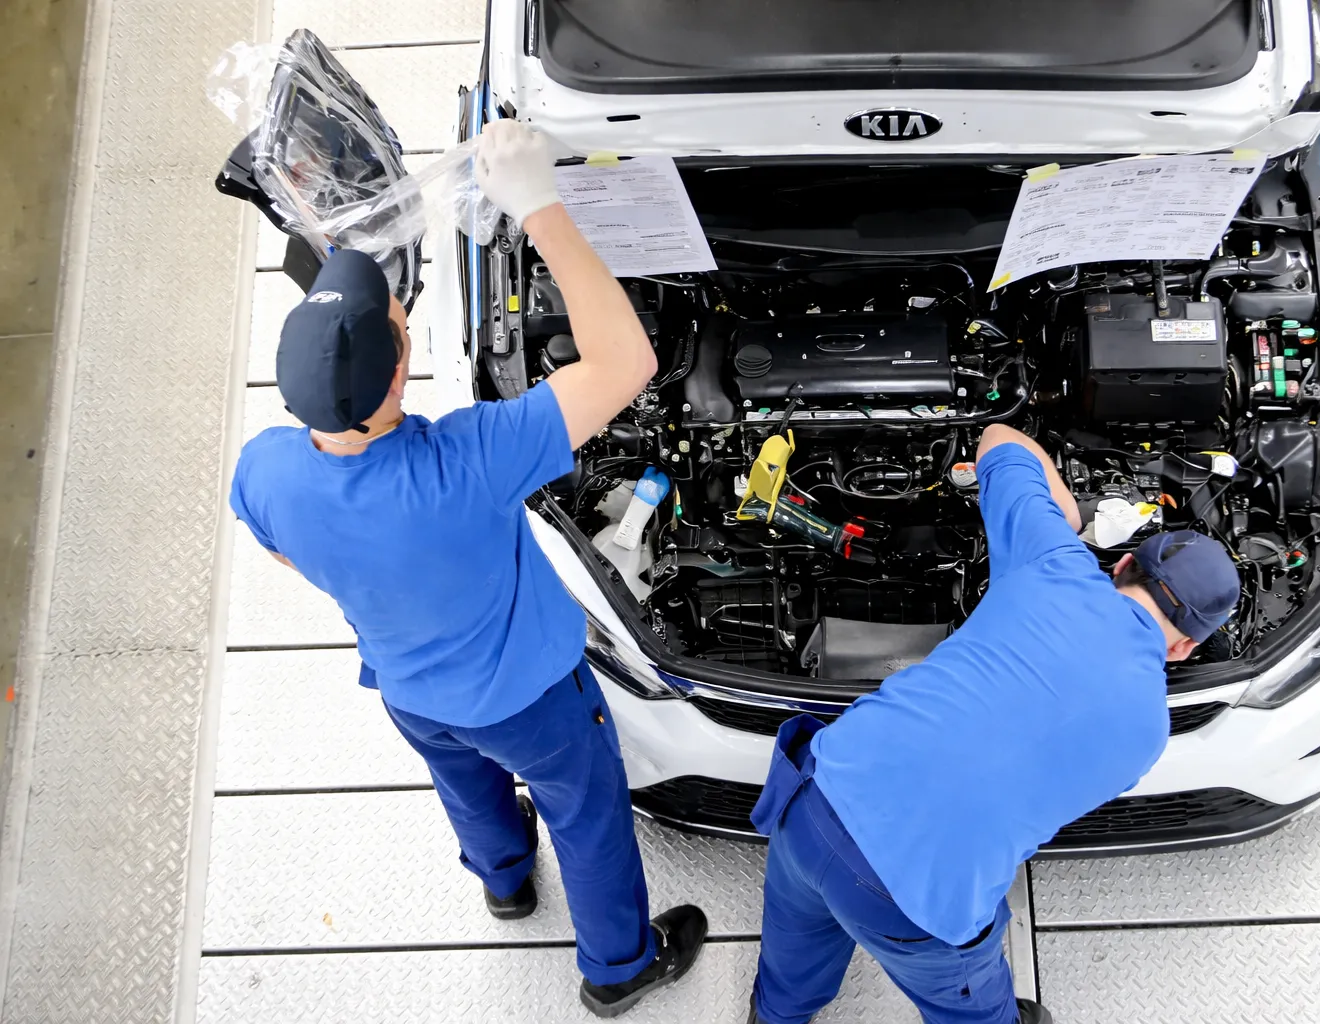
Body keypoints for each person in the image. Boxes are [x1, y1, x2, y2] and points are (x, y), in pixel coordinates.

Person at [229, 120, 706, 1019]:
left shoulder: (265, 467)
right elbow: (628, 361)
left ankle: (504, 884)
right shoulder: (468, 460)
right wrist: (541, 206)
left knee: (463, 781)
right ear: (400, 366)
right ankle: (617, 969)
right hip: (532, 703)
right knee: (588, 814)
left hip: (411, 690)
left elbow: (291, 554)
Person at [747, 424, 1242, 1024]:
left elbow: (998, 436)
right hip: (915, 895)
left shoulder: (1053, 561)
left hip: (815, 794)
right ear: (1186, 648)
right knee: (972, 1004)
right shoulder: (1147, 734)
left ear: (1125, 564)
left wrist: (1064, 514)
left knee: (792, 954)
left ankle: (776, 1016)